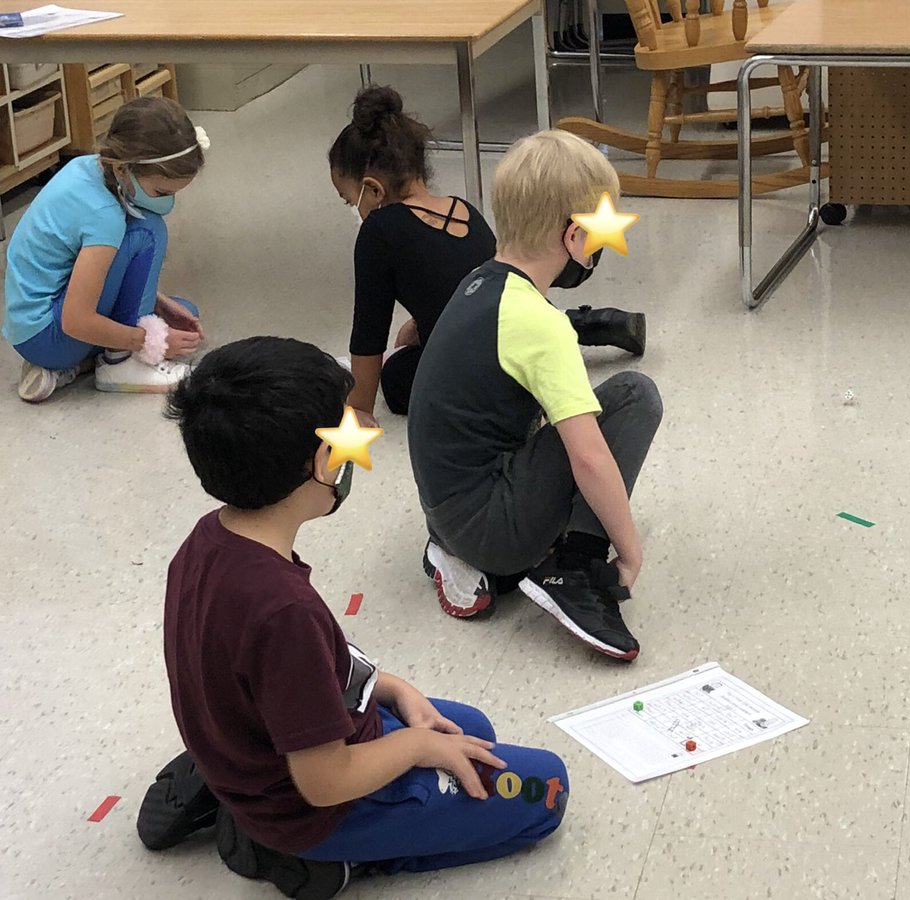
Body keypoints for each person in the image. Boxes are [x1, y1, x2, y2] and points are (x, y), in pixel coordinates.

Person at [151, 336, 568, 899]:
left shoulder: (207, 540)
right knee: (547, 790)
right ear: (322, 461)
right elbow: (325, 782)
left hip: (280, 750)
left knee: (472, 728)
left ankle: (238, 796)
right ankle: (323, 859)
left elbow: (285, 672)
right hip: (318, 806)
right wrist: (418, 749)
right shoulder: (281, 609)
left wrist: (389, 687)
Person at [408, 130, 663, 662]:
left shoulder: (478, 281)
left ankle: (454, 550)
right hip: (490, 530)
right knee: (635, 396)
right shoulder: (541, 324)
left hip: (445, 505)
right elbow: (589, 457)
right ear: (574, 238)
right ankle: (574, 568)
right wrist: (629, 551)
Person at [328, 85, 647, 424]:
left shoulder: (377, 230)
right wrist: (423, 322)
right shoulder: (461, 208)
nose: (355, 210)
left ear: (373, 190)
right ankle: (580, 323)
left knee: (395, 374)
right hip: (526, 324)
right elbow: (476, 279)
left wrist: (360, 407)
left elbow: (369, 331)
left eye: (351, 201)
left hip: (482, 371)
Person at [3, 97, 207, 402]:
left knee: (181, 312)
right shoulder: (103, 215)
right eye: (162, 192)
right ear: (124, 168)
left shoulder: (87, 168)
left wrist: (158, 303)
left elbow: (94, 269)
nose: (168, 203)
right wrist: (150, 341)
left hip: (31, 329)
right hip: (50, 333)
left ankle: (71, 368)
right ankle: (118, 363)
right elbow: (76, 320)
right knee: (149, 231)